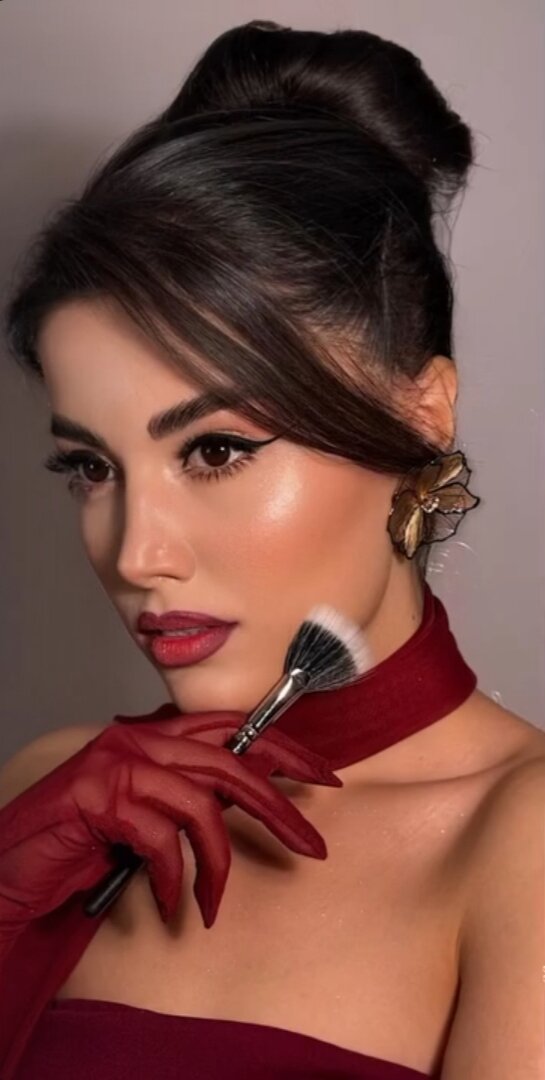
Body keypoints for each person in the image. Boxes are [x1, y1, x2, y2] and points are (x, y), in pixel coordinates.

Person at [1, 19, 543, 1080]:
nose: (136, 554)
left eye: (214, 450)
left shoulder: (518, 844)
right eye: (91, 467)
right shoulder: (48, 785)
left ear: (420, 411)